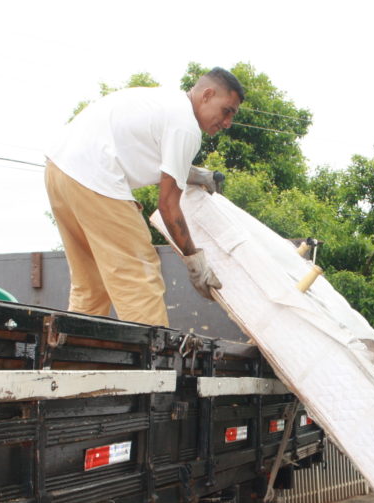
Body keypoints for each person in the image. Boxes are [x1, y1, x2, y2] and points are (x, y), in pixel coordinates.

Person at [44, 67, 245, 326]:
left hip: (59, 171)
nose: (227, 122)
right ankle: (149, 361)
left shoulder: (165, 103)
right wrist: (194, 261)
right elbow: (168, 206)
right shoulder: (186, 126)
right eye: (227, 111)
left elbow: (151, 153)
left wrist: (194, 174)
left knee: (90, 283)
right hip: (96, 177)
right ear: (207, 95)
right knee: (138, 273)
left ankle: (73, 359)